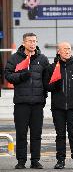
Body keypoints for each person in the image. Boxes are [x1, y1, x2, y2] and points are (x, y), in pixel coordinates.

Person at [4, 33, 49, 169]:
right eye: (29, 41)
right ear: (23, 43)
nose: (32, 43)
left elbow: (46, 81)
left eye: (34, 41)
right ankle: (21, 161)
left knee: (36, 134)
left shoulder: (43, 59)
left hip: (37, 103)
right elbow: (8, 76)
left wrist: (43, 97)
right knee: (21, 133)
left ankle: (35, 160)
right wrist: (22, 75)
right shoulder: (15, 58)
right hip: (21, 103)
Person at [44, 42, 73, 169]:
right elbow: (47, 87)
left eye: (69, 49)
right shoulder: (52, 68)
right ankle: (60, 161)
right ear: (58, 51)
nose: (68, 51)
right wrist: (55, 83)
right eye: (65, 49)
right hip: (58, 107)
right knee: (60, 135)